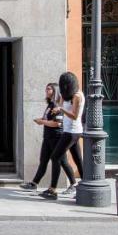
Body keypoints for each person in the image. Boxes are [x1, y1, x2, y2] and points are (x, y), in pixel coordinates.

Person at [20, 84, 63, 192]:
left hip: (56, 137)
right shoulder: (50, 105)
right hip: (48, 137)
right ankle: (34, 183)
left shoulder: (57, 105)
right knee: (43, 160)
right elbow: (47, 119)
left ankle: (56, 187)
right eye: (46, 88)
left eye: (49, 89)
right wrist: (41, 120)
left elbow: (57, 123)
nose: (46, 90)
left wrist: (42, 122)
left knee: (57, 161)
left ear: (55, 91)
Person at [51, 71, 86, 199]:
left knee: (55, 157)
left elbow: (75, 116)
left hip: (72, 132)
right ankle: (84, 185)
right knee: (78, 160)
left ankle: (52, 189)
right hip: (69, 131)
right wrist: (58, 106)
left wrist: (61, 109)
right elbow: (60, 104)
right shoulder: (67, 95)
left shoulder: (77, 96)